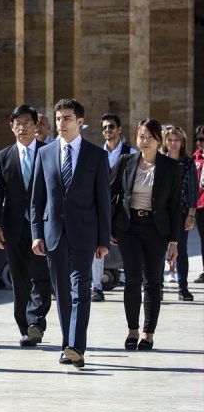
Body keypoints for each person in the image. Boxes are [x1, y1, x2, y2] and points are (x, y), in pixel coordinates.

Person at [31, 98, 110, 369]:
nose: (61, 123)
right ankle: (68, 344)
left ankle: (76, 345)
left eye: (66, 118)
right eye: (58, 118)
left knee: (80, 290)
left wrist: (103, 240)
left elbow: (103, 201)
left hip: (84, 233)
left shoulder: (96, 156)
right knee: (61, 293)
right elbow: (36, 199)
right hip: (53, 233)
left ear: (80, 121)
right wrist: (36, 234)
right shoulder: (45, 153)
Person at [111, 119, 181, 351]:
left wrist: (174, 240)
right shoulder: (126, 161)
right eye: (141, 136)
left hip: (156, 229)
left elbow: (174, 207)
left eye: (149, 136)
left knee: (153, 281)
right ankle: (132, 330)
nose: (144, 140)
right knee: (132, 279)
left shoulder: (170, 167)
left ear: (158, 140)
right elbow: (111, 192)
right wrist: (111, 227)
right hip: (129, 227)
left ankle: (148, 333)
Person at [0, 105, 52, 347]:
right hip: (13, 225)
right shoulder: (3, 156)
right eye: (18, 123)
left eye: (27, 122)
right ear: (11, 127)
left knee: (41, 275)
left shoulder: (48, 152)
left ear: (36, 125)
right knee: (19, 278)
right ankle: (25, 328)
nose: (22, 127)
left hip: (42, 226)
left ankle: (36, 320)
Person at [91, 112, 137, 301]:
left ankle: (133, 284)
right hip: (102, 208)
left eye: (111, 127)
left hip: (125, 209)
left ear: (119, 129)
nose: (108, 130)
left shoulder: (132, 153)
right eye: (104, 128)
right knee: (98, 247)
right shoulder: (96, 155)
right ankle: (96, 286)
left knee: (130, 247)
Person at [159, 125, 197, 301]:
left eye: (177, 140)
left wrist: (191, 215)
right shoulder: (159, 161)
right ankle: (156, 285)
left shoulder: (188, 163)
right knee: (158, 250)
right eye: (170, 140)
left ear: (182, 143)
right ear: (165, 142)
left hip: (181, 213)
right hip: (160, 213)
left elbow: (193, 190)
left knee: (181, 249)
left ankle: (183, 288)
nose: (173, 143)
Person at [193, 126, 204, 284]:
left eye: (203, 139)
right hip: (201, 204)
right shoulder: (195, 158)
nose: (200, 142)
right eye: (198, 139)